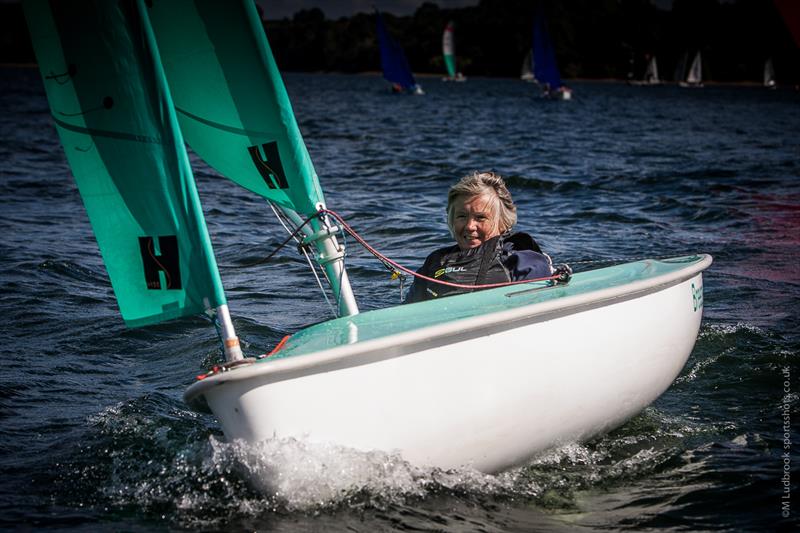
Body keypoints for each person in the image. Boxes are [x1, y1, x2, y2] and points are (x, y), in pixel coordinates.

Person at [405, 171, 555, 303]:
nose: (470, 226)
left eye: (480, 217)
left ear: (502, 222)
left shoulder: (521, 260)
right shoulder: (435, 262)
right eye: (461, 216)